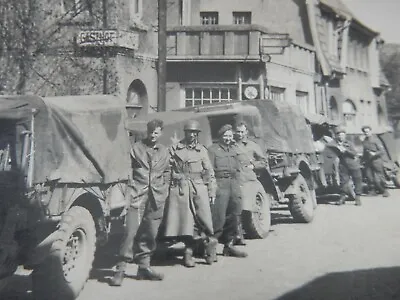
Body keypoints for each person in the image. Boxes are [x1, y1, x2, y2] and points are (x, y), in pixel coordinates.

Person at [110, 119, 170, 286]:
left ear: (161, 133)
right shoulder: (136, 149)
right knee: (130, 232)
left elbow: (167, 171)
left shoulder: (164, 151)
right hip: (137, 195)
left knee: (150, 233)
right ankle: (120, 269)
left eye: (156, 133)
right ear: (147, 132)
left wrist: (164, 189)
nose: (153, 135)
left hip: (156, 197)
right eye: (151, 132)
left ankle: (144, 267)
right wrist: (129, 191)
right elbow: (127, 170)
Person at [163, 120, 218, 267]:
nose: (192, 135)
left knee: (204, 220)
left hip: (199, 188)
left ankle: (209, 246)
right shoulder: (174, 149)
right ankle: (188, 253)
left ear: (197, 134)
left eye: (195, 133)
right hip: (180, 189)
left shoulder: (202, 151)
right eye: (189, 132)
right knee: (186, 223)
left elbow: (209, 172)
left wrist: (212, 191)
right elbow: (167, 170)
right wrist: (168, 187)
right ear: (185, 133)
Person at [208, 124, 248, 258]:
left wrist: (240, 184)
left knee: (234, 215)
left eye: (230, 136)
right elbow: (209, 171)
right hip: (221, 185)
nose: (228, 138)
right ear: (220, 137)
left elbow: (240, 168)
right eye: (225, 136)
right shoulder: (213, 150)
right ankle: (211, 248)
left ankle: (229, 246)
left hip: (234, 184)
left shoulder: (234, 149)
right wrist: (212, 189)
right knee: (218, 217)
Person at [234, 121, 268, 245]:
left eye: (242, 132)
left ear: (246, 132)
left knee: (245, 207)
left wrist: (253, 165)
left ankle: (240, 234)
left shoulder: (253, 146)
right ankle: (236, 234)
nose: (240, 134)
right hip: (235, 179)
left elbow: (264, 162)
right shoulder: (231, 145)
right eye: (238, 132)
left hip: (248, 180)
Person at [327, 126, 362, 206]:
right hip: (343, 165)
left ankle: (358, 198)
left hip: (353, 164)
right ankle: (342, 198)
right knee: (343, 182)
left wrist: (346, 150)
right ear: (336, 136)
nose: (340, 136)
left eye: (342, 135)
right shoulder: (334, 143)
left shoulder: (349, 143)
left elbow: (354, 154)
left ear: (345, 135)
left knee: (357, 181)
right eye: (339, 135)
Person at [361, 125, 389, 197]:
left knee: (380, 176)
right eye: (365, 132)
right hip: (368, 161)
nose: (366, 133)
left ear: (370, 131)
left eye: (367, 131)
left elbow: (382, 151)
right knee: (369, 176)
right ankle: (372, 191)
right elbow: (365, 151)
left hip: (376, 161)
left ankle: (385, 190)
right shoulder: (364, 140)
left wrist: (375, 153)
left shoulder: (376, 140)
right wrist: (362, 160)